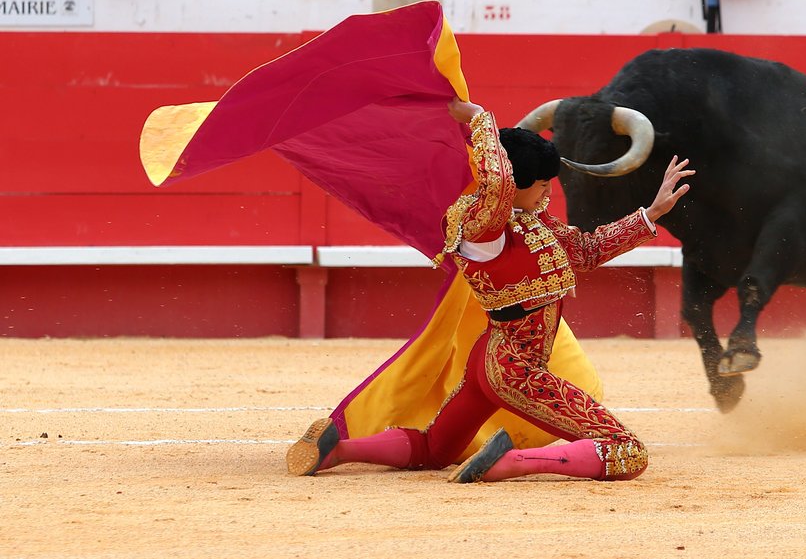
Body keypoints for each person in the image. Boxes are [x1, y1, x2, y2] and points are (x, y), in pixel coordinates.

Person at [286, 99, 694, 483]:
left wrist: (651, 213)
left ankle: (338, 450)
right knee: (627, 451)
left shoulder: (532, 222)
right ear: (515, 183)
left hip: (491, 361)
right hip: (518, 372)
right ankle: (510, 462)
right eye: (541, 184)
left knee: (434, 449)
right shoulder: (483, 229)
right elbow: (497, 184)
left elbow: (587, 251)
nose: (548, 193)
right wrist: (479, 118)